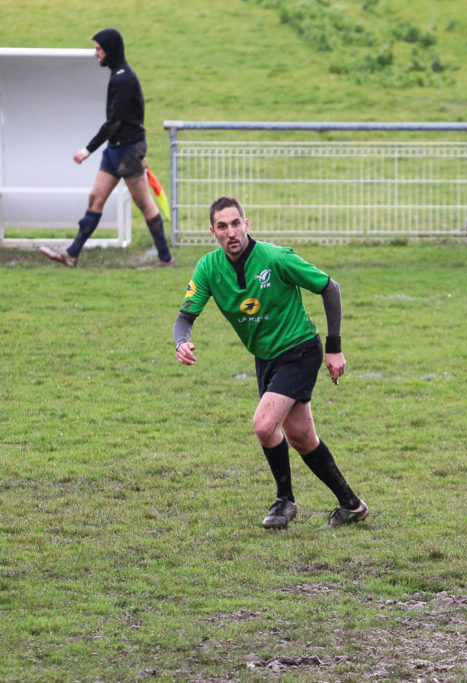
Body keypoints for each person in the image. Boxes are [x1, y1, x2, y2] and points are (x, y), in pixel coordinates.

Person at [172, 196, 367, 530]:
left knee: (264, 425)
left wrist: (334, 348)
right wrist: (181, 341)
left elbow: (329, 287)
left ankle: (285, 501)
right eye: (222, 226)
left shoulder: (276, 258)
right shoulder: (208, 267)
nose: (230, 232)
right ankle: (351, 504)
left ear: (247, 224)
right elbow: (184, 316)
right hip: (266, 358)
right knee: (303, 437)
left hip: (300, 349)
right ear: (213, 232)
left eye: (236, 223)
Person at [39, 28, 173, 268]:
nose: (96, 53)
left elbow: (115, 122)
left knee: (144, 203)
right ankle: (71, 255)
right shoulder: (117, 74)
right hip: (114, 149)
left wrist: (87, 150)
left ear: (110, 50)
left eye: (99, 49)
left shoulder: (124, 78)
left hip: (129, 151)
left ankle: (165, 259)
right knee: (96, 198)